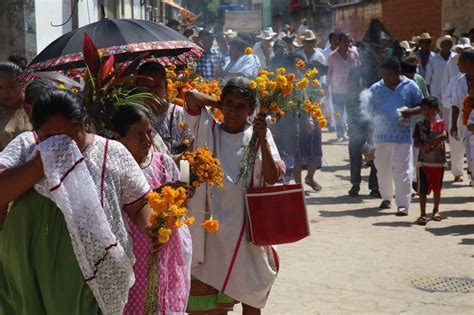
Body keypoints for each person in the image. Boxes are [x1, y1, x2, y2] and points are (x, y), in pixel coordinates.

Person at [0, 90, 153, 314]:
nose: (61, 144)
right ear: (36, 131)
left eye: (71, 135)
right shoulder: (27, 146)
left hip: (91, 278)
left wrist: (150, 226)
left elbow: (139, 204)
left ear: (85, 124)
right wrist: (37, 165)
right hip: (27, 274)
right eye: (50, 136)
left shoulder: (112, 152)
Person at [183, 77, 284, 314]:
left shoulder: (259, 135)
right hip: (209, 235)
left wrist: (261, 139)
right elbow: (190, 96)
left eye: (242, 106)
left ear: (251, 109)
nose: (234, 111)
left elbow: (271, 177)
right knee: (207, 308)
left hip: (245, 233)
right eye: (229, 104)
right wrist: (219, 105)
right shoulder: (208, 129)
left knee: (251, 300)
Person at [113, 105, 192, 314]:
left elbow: (181, 208)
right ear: (118, 138)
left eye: (149, 132)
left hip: (166, 251)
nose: (147, 140)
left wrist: (183, 194)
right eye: (138, 135)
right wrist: (164, 191)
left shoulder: (163, 163)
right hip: (133, 256)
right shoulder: (113, 170)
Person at [369, 57, 423, 215]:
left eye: (389, 74)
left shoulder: (410, 86)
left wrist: (410, 112)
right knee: (382, 168)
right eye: (383, 74)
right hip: (380, 136)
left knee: (403, 169)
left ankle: (403, 204)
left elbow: (422, 105)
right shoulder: (376, 88)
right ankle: (386, 198)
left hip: (403, 136)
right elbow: (367, 113)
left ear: (399, 72)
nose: (385, 78)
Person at [137, 62, 193, 155]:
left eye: (157, 86)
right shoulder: (131, 115)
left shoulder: (179, 114)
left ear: (166, 88)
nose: (151, 91)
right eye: (146, 86)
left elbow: (193, 147)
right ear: (137, 86)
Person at [346, 55, 380, 198]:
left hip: (373, 120)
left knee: (376, 154)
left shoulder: (379, 72)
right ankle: (355, 184)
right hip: (356, 118)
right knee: (355, 153)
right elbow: (350, 90)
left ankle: (375, 186)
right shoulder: (355, 71)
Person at [413, 97, 447, 225]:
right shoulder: (420, 124)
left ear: (436, 110)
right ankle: (423, 213)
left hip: (438, 162)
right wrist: (424, 146)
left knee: (437, 188)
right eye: (424, 110)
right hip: (424, 162)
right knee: (422, 189)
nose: (427, 113)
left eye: (430, 110)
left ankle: (435, 210)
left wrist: (432, 144)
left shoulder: (439, 123)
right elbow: (416, 141)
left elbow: (443, 135)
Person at [327, 32, 360, 141]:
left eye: (349, 41)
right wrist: (326, 87)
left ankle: (352, 133)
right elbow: (329, 73)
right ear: (339, 42)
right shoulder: (331, 57)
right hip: (337, 90)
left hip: (352, 90)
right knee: (338, 113)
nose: (348, 44)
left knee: (351, 113)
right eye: (345, 41)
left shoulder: (354, 54)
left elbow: (359, 70)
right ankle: (340, 134)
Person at [450, 50, 474, 187]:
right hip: (466, 125)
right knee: (470, 155)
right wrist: (453, 125)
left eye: (460, 63)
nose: (458, 66)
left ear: (468, 63)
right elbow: (455, 104)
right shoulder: (459, 81)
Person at [0, 61, 32, 150]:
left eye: (11, 87)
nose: (5, 93)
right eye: (0, 88)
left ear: (22, 84)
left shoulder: (36, 108)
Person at [425, 35, 456, 120]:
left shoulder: (455, 58)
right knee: (437, 116)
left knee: (450, 116)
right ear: (441, 46)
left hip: (451, 93)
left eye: (448, 44)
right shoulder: (434, 59)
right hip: (436, 92)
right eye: (444, 44)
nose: (446, 46)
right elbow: (428, 79)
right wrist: (429, 95)